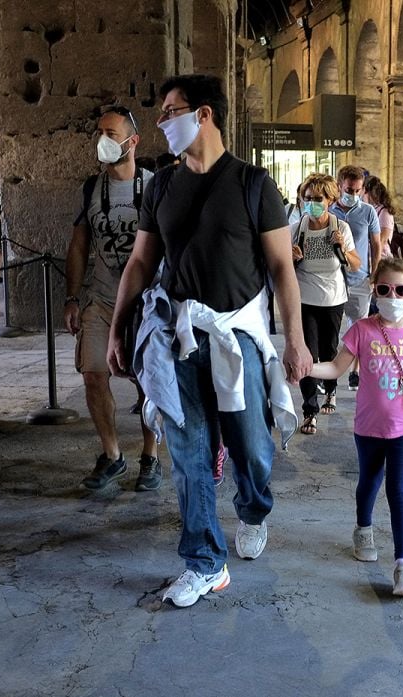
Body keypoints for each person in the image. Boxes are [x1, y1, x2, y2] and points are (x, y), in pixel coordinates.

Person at [107, 74, 312, 608]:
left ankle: (253, 506)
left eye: (169, 111)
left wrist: (294, 339)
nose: (160, 122)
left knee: (251, 446)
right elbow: (140, 262)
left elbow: (281, 269)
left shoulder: (252, 184)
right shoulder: (160, 187)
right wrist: (117, 329)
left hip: (237, 334)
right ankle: (204, 562)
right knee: (189, 453)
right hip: (177, 337)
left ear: (203, 115)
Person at [310, 258, 403, 597]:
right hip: (367, 427)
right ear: (373, 290)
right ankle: (363, 529)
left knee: (399, 489)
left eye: (400, 290)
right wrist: (306, 368)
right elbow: (336, 368)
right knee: (369, 481)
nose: (391, 295)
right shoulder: (362, 330)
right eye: (384, 289)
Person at [64, 105, 160, 492]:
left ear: (132, 142)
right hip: (101, 298)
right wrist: (72, 297)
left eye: (111, 133)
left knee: (148, 383)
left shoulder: (155, 186)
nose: (102, 140)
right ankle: (113, 455)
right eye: (99, 132)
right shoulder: (92, 188)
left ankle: (151, 457)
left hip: (145, 302)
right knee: (93, 375)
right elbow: (79, 244)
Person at [291, 172, 361, 434]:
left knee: (328, 350)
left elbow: (356, 264)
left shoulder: (340, 228)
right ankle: (309, 410)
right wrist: (291, 257)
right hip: (304, 297)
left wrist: (342, 248)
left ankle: (331, 391)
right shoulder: (297, 228)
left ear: (330, 200)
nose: (312, 203)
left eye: (317, 198)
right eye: (307, 198)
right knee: (307, 353)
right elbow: (281, 267)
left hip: (332, 298)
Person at [329, 164, 381, 391]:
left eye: (357, 190)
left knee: (359, 327)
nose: (353, 195)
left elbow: (376, 244)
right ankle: (328, 372)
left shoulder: (368, 212)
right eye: (349, 190)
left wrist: (375, 273)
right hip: (332, 279)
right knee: (331, 328)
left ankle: (355, 372)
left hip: (360, 279)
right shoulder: (329, 211)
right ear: (340, 186)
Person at [363, 175, 398, 260]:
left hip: (381, 258)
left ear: (368, 193)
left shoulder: (384, 212)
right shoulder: (373, 209)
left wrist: (375, 263)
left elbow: (381, 241)